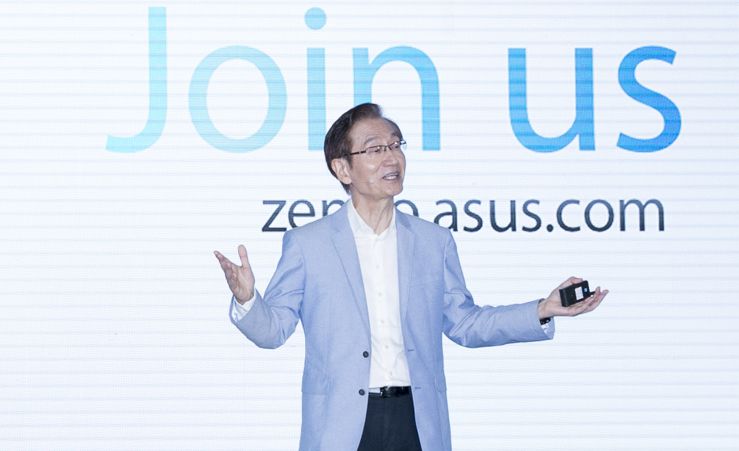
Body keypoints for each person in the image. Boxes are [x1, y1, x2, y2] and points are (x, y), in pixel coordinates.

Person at [214, 103, 607, 451]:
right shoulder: (308, 244)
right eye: (375, 149)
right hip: (341, 426)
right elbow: (274, 331)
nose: (392, 158)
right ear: (342, 168)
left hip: (416, 422)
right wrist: (248, 300)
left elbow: (466, 324)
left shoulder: (433, 242)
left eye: (396, 145)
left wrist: (542, 309)